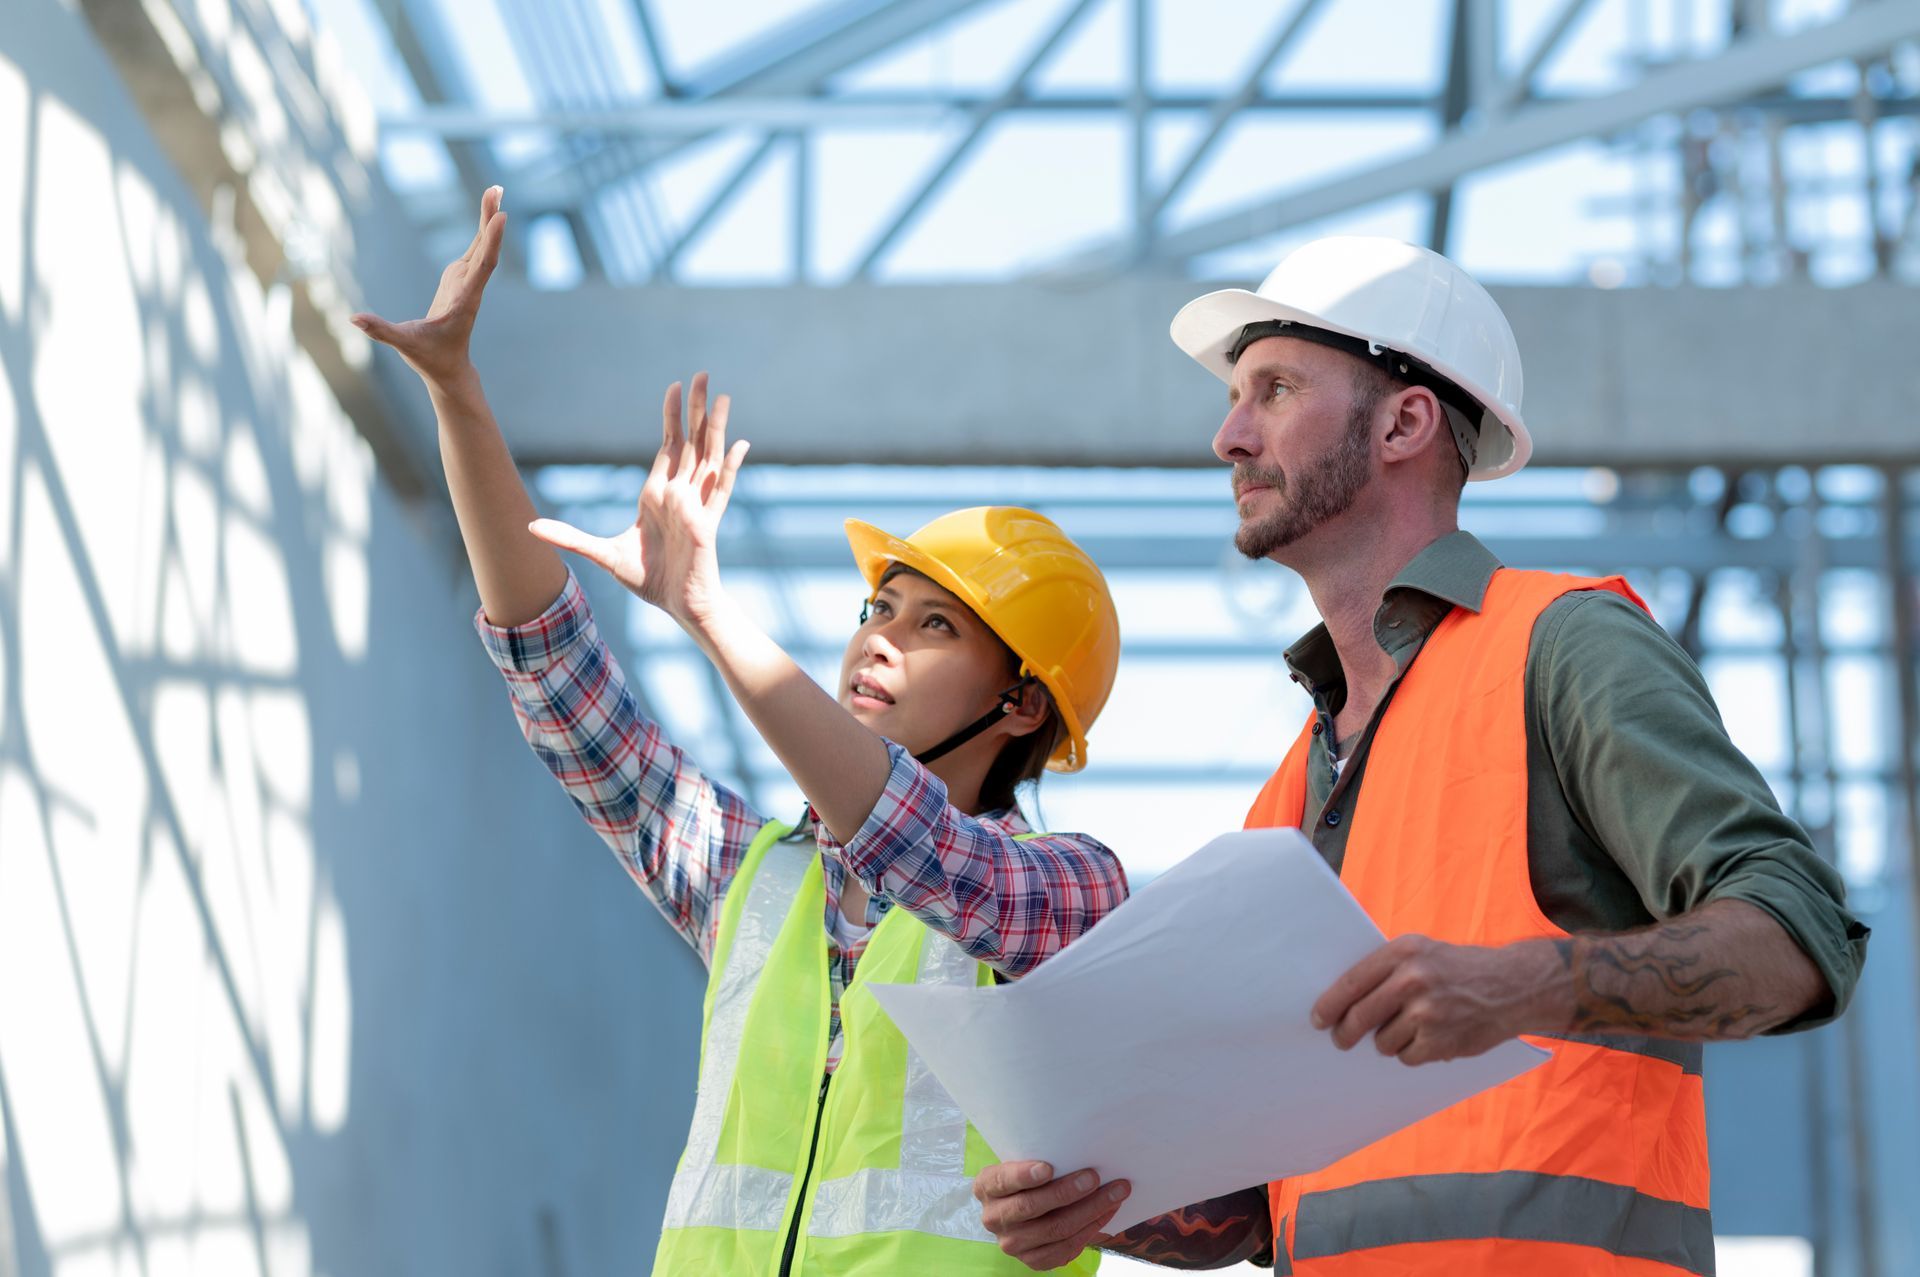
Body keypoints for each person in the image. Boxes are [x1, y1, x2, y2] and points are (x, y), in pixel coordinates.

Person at [970, 236, 1869, 1273]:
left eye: (1275, 389)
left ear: (1404, 422)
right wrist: (1104, 1200)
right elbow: (1264, 1196)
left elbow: (1801, 939)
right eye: (1234, 398)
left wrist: (1524, 985)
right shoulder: (1288, 793)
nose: (1229, 435)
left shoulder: (1563, 646)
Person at [352, 187, 1127, 1276]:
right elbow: (559, 674)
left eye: (935, 625)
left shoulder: (1073, 894)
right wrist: (458, 395)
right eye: (878, 608)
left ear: (1023, 703)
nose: (879, 638)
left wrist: (708, 612)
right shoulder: (753, 880)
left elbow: (921, 848)